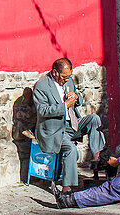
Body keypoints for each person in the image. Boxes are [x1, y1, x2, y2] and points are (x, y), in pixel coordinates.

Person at [32, 57, 108, 192]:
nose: (67, 79)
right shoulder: (42, 86)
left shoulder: (69, 81)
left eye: (69, 76)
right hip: (54, 130)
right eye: (64, 77)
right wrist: (64, 105)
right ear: (55, 73)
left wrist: (76, 97)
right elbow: (43, 111)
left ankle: (97, 157)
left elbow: (78, 101)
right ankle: (67, 188)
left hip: (71, 124)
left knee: (94, 119)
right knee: (71, 149)